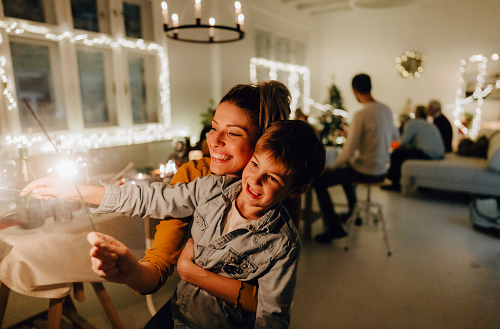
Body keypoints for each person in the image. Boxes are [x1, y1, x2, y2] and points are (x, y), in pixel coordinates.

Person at [21, 81, 301, 325]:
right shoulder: (201, 180)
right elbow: (151, 206)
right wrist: (76, 191)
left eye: (234, 133)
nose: (213, 141)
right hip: (188, 309)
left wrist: (192, 272)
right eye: (214, 127)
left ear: (265, 142)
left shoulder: (276, 194)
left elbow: (267, 304)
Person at [313, 73, 398, 244]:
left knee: (319, 180)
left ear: (354, 90)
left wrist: (332, 167)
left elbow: (349, 151)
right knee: (347, 170)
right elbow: (395, 137)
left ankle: (334, 227)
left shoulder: (361, 114)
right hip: (382, 169)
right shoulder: (386, 109)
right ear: (370, 87)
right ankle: (354, 213)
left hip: (366, 170)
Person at [382, 105, 445, 191]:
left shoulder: (413, 123)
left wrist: (392, 145)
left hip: (428, 154)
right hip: (439, 154)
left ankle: (394, 183)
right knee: (404, 153)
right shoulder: (430, 125)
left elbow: (403, 142)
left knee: (396, 154)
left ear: (416, 113)